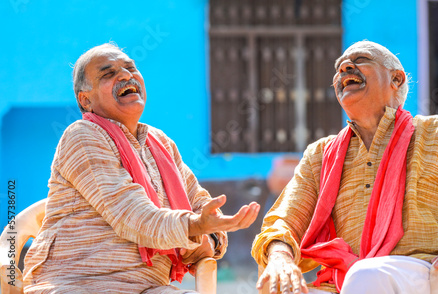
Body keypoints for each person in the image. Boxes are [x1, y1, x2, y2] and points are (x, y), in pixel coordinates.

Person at [252, 40, 438, 294]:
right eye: (339, 69)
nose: (344, 69)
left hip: (431, 275)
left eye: (361, 60)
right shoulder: (320, 155)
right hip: (344, 282)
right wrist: (280, 257)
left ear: (396, 79)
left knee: (367, 274)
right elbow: (283, 221)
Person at [23, 43, 260, 294]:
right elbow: (132, 216)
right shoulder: (82, 136)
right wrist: (194, 228)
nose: (126, 76)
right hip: (78, 283)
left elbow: (203, 209)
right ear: (86, 100)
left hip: (149, 287)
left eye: (130, 68)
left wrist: (208, 234)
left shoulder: (160, 143)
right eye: (108, 73)